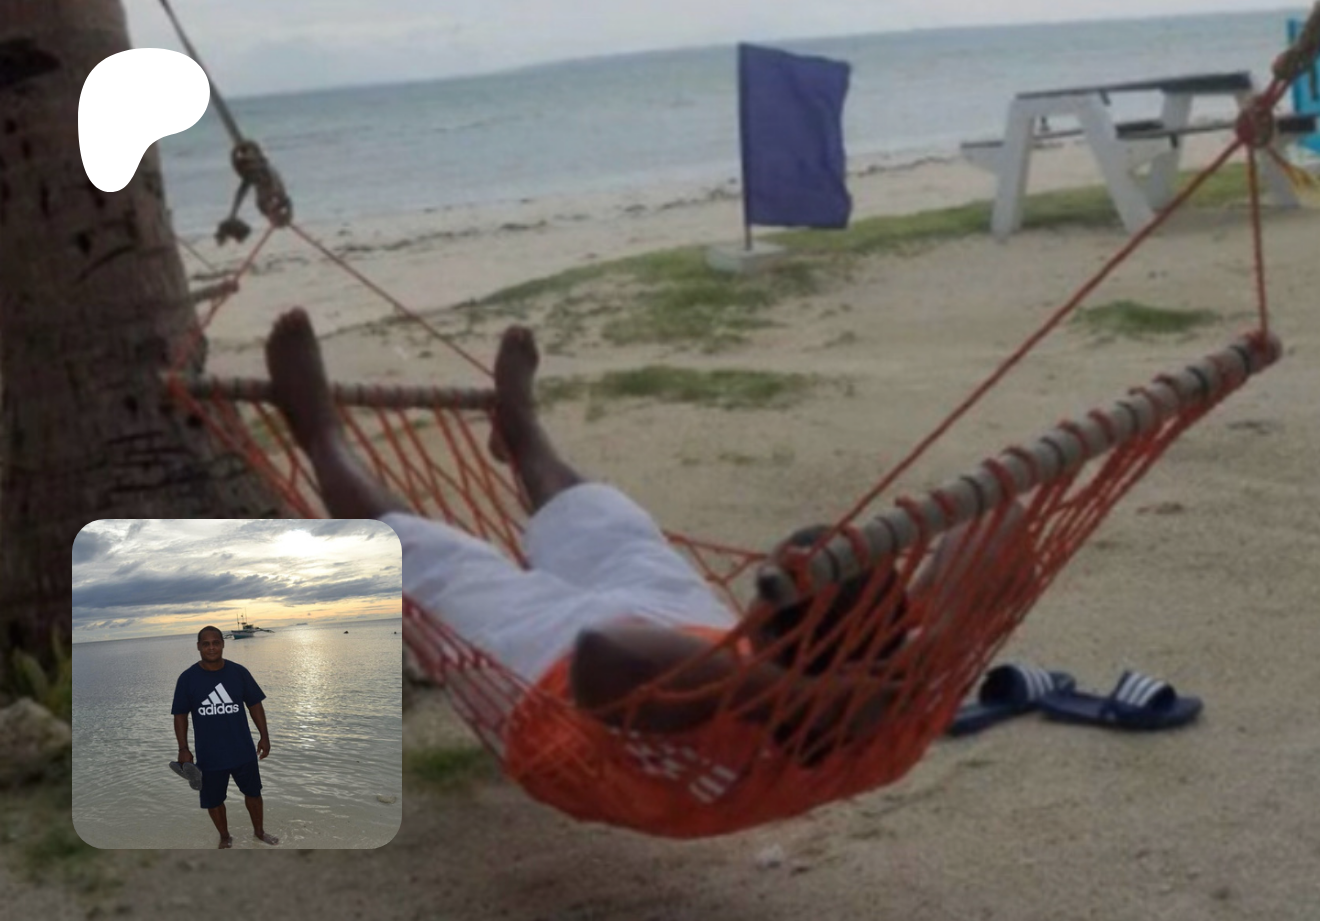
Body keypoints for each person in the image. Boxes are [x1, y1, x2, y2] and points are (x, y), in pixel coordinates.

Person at [261, 308, 1030, 763]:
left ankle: (320, 433)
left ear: (786, 640)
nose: (761, 587)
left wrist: (801, 700)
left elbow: (606, 657)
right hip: (696, 631)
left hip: (554, 677)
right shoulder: (889, 679)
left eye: (772, 591)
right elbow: (1005, 524)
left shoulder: (754, 726)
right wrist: (932, 648)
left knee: (424, 554)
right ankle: (522, 432)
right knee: (605, 521)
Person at [171, 626, 278, 848]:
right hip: (209, 755)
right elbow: (180, 715)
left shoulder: (238, 672)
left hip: (242, 750)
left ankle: (259, 832)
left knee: (253, 793)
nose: (211, 648)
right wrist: (183, 748)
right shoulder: (188, 678)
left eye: (216, 643)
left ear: (223, 644)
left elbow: (255, 705)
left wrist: (264, 736)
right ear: (198, 647)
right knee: (213, 800)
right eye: (206, 644)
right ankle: (224, 836)